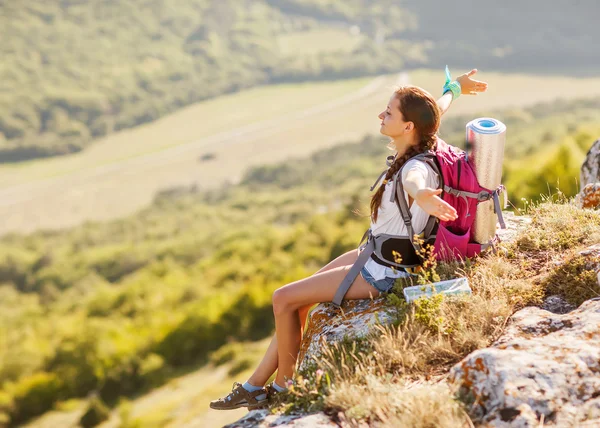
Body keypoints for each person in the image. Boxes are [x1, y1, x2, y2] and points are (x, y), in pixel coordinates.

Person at [209, 68, 488, 411]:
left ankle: (284, 385)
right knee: (296, 298)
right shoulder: (421, 136)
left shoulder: (417, 167)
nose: (380, 115)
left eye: (389, 111)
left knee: (283, 298)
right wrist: (455, 89)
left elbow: (415, 181)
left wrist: (423, 195)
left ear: (407, 126)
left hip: (386, 271)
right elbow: (436, 109)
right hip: (372, 254)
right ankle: (254, 385)